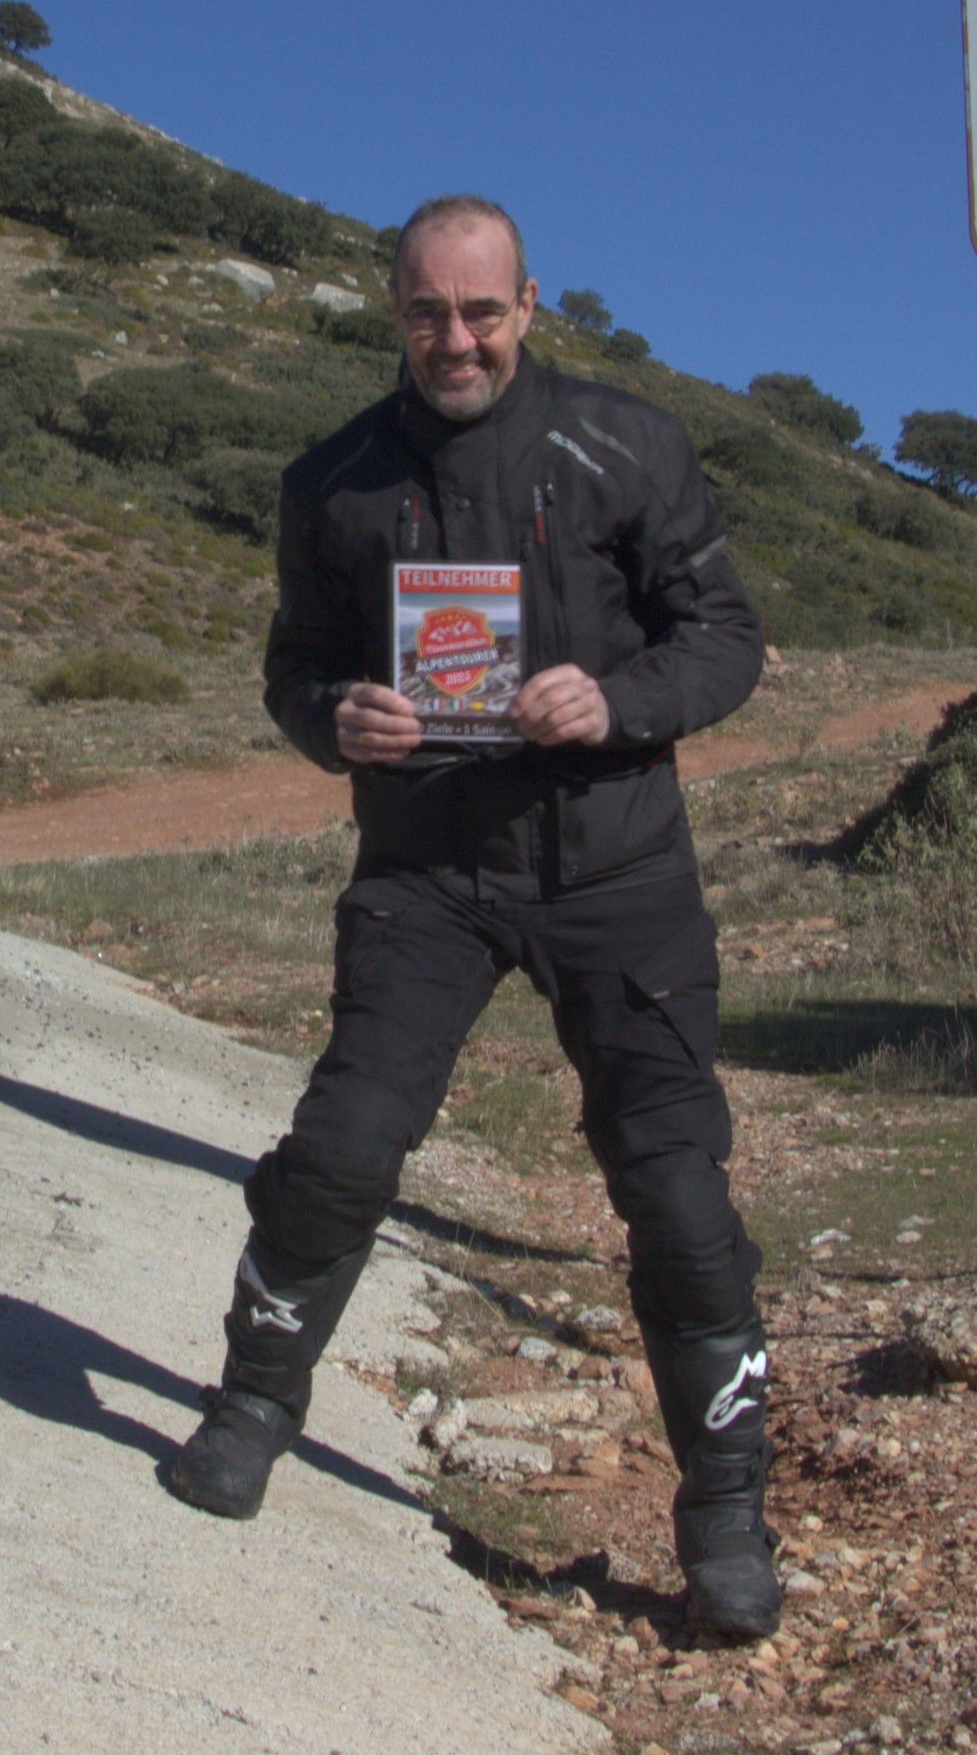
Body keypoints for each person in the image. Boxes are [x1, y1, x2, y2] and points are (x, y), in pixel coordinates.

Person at [161, 193, 784, 1641]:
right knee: (341, 1149)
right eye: (428, 313)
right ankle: (252, 1406)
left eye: (482, 311)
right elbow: (293, 668)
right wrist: (336, 716)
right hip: (425, 873)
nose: (456, 339)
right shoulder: (333, 480)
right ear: (393, 311)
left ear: (527, 306)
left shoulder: (627, 444)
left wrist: (615, 701)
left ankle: (725, 1517)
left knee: (677, 1196)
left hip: (617, 873)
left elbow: (725, 637)